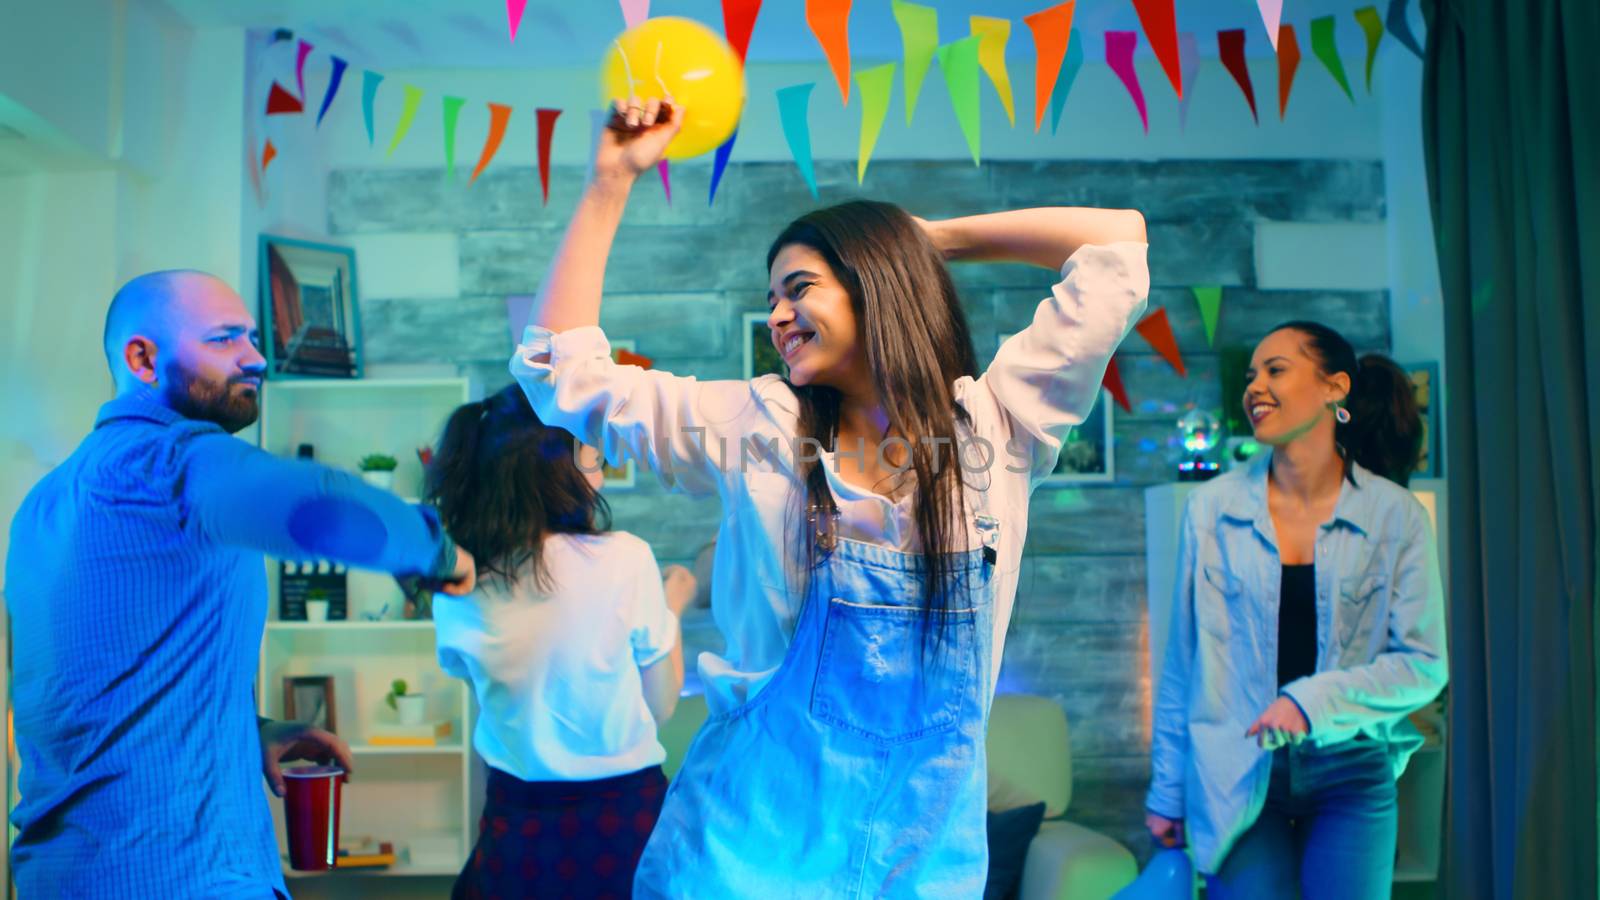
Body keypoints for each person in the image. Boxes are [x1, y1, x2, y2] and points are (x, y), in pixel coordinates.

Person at [511, 98, 1149, 896]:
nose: (777, 315)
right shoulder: (757, 424)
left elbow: (1117, 243)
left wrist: (925, 241)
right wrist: (609, 181)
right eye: (772, 296)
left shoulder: (1000, 424)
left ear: (874, 286)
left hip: (917, 863)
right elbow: (556, 375)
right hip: (746, 850)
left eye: (799, 288)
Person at [6, 270, 476, 899]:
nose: (255, 358)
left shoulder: (42, 504)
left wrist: (251, 733)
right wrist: (438, 552)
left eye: (252, 337)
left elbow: (89, 691)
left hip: (62, 874)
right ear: (143, 358)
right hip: (180, 874)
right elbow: (321, 504)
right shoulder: (174, 460)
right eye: (225, 340)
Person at [1144, 321, 1449, 898]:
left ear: (1335, 388)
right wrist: (1166, 791)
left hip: (1352, 770)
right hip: (1236, 771)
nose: (1254, 386)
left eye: (1275, 370)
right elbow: (1185, 665)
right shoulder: (1210, 510)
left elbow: (1424, 664)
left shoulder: (1398, 516)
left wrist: (1309, 701)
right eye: (1251, 374)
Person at [427, 384, 696, 899]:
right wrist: (672, 605)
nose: (598, 473)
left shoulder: (456, 582)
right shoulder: (624, 558)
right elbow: (659, 704)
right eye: (591, 457)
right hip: (622, 822)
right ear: (558, 468)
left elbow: (496, 706)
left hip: (516, 822)